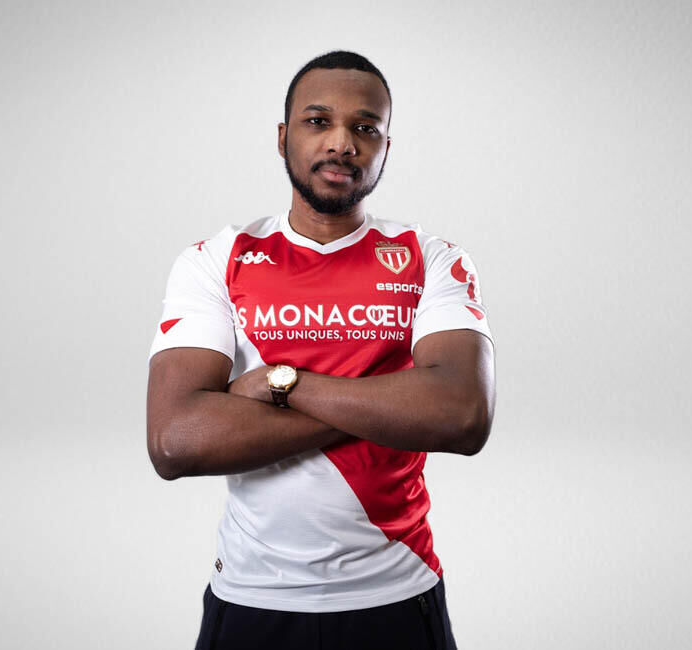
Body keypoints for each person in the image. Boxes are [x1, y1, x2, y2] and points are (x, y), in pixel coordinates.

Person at [146, 50, 495, 650]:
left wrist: (281, 384)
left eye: (366, 128)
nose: (342, 142)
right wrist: (391, 398)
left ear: (386, 147)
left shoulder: (432, 258)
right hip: (253, 600)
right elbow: (176, 441)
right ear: (283, 137)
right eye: (318, 121)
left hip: (396, 593)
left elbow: (462, 416)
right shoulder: (215, 259)